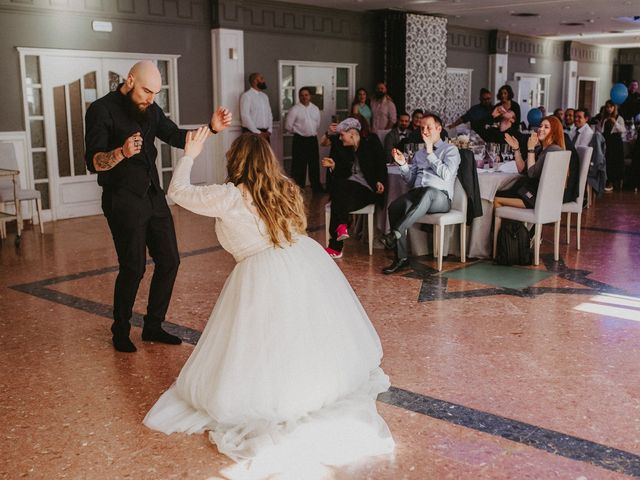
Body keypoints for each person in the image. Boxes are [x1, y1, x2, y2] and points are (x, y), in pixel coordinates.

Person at [143, 128, 394, 476]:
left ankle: (283, 392)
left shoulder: (230, 196)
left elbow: (177, 192)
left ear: (236, 161)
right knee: (300, 333)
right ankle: (307, 383)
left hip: (261, 272)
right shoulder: (285, 188)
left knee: (265, 342)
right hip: (302, 260)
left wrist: (191, 153)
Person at [84, 60, 231, 353]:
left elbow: (176, 136)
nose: (151, 98)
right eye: (146, 91)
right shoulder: (101, 109)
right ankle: (121, 330)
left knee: (170, 261)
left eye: (155, 93)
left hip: (153, 195)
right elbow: (93, 162)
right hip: (121, 199)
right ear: (129, 80)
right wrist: (121, 153)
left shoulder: (151, 110)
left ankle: (153, 325)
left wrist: (211, 129)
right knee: (133, 267)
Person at [380, 114, 461, 274]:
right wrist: (403, 164)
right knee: (394, 207)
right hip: (419, 195)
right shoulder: (419, 154)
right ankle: (401, 258)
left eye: (428, 127)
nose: (424, 131)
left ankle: (395, 233)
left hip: (440, 198)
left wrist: (431, 153)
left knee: (429, 192)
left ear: (439, 129)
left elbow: (447, 174)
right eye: (421, 127)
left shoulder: (451, 150)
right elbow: (411, 182)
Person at [321, 117, 387, 259]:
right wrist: (334, 166)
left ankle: (336, 246)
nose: (340, 139)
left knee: (338, 196)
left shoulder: (371, 142)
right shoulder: (345, 149)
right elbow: (342, 173)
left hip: (367, 190)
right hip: (347, 192)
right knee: (340, 189)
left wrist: (380, 181)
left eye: (342, 135)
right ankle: (342, 225)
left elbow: (381, 163)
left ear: (352, 134)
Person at [495, 116, 566, 210]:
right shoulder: (540, 149)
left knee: (495, 199)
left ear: (554, 132)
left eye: (546, 127)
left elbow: (531, 174)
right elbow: (522, 170)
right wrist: (516, 149)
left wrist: (531, 149)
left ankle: (512, 225)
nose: (541, 129)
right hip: (530, 194)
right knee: (497, 194)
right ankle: (513, 224)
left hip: (536, 198)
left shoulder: (553, 150)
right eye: (540, 126)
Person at [284, 86, 322, 192]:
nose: (304, 97)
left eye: (306, 95)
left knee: (314, 164)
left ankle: (316, 187)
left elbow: (317, 124)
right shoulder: (294, 109)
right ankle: (298, 188)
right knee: (298, 165)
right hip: (299, 140)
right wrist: (299, 132)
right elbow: (288, 126)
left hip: (312, 140)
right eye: (302, 95)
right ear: (299, 97)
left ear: (310, 96)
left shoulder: (315, 108)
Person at [597, 99, 626, 191]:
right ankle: (607, 181)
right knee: (607, 161)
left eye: (611, 107)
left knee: (615, 162)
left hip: (616, 142)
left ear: (614, 108)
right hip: (607, 141)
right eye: (607, 107)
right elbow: (601, 130)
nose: (609, 109)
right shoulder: (604, 118)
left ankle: (614, 182)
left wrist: (615, 123)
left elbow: (623, 130)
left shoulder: (619, 118)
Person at [240, 72, 272, 142]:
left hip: (266, 133)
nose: (264, 80)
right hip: (251, 133)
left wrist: (270, 130)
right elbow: (245, 116)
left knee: (265, 153)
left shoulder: (265, 96)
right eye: (261, 78)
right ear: (255, 81)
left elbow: (269, 114)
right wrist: (257, 132)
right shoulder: (247, 96)